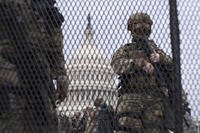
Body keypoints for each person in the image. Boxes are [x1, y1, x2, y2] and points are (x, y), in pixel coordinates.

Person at [0, 0, 68, 133]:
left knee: (45, 123)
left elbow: (55, 48)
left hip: (39, 77)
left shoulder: (46, 8)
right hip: (9, 76)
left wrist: (61, 75)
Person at [111, 12, 174, 133]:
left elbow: (172, 66)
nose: (142, 27)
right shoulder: (126, 50)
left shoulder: (156, 51)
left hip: (154, 99)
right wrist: (140, 64)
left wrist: (160, 58)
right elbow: (117, 65)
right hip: (131, 97)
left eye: (145, 24)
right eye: (138, 24)